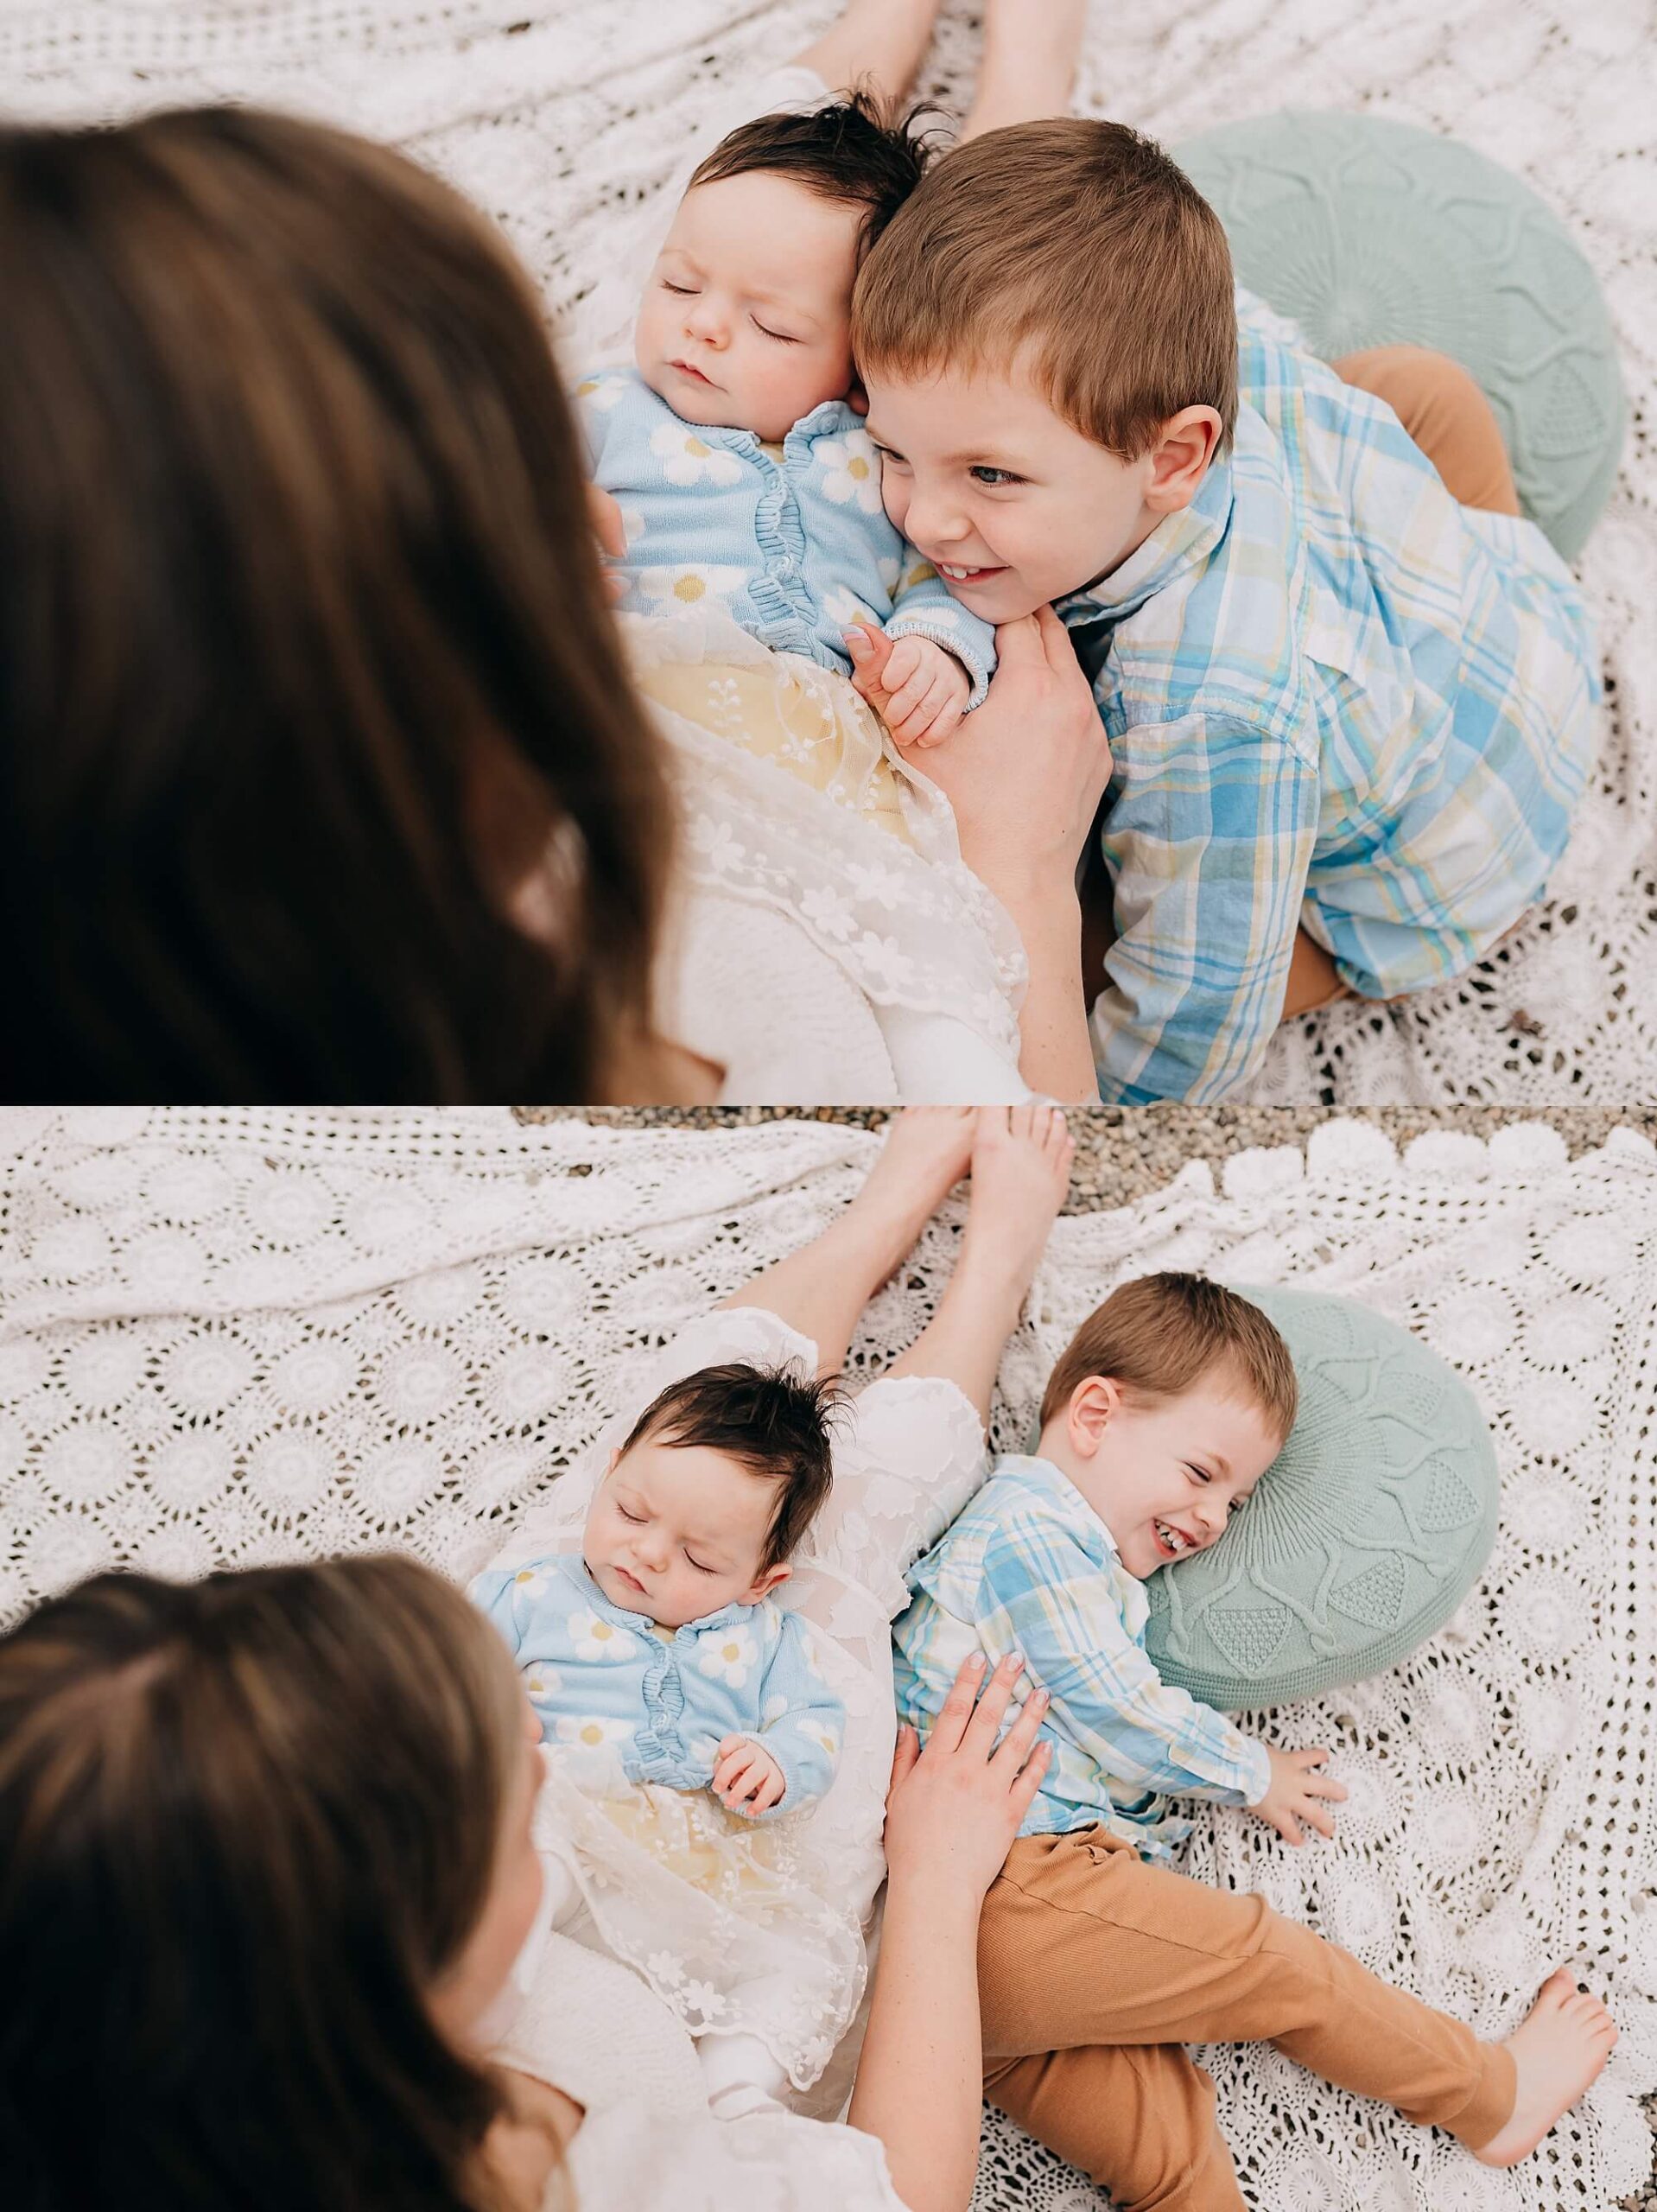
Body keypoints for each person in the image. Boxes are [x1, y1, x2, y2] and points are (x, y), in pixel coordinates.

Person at [0, 0, 1108, 1105]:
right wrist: (1028, 878)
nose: (604, 527)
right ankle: (1020, 62)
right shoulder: (699, 963)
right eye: (501, 504)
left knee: (784, 183)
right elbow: (997, 1112)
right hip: (794, 766)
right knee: (957, 290)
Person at [847, 45, 1600, 1103]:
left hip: (1448, 849)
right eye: (889, 451)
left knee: (1072, 945)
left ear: (1172, 458)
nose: (925, 519)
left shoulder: (1212, 715)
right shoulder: (1215, 334)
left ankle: (1397, 911)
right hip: (1495, 621)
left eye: (991, 473)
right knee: (1417, 390)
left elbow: (1192, 1025)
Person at [892, 1271, 1620, 2209]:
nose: (1209, 1520)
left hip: (969, 1986)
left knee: (1175, 2164)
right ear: (1093, 1415)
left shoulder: (1073, 1553)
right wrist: (1251, 1772)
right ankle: (1490, 2095)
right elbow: (1114, 1702)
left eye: (1234, 1503)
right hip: (1011, 1895)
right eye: (1201, 1474)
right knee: (1275, 1964)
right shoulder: (1027, 1529)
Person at [571, 0, 1107, 1102]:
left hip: (842, 779)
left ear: (864, 371)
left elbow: (947, 580)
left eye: (772, 329)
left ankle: (1025, 53)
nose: (702, 328)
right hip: (660, 721)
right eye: (675, 288)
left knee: (931, 989)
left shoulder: (886, 456)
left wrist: (936, 653)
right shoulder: (611, 406)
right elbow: (482, 472)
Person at [472, 1363, 860, 2118]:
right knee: (533, 1813)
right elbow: (447, 1670)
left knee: (804, 1963)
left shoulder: (769, 1640)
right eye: (632, 1512)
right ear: (610, 1471)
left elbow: (815, 1723)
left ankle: (736, 2092)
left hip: (700, 1873)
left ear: (759, 1581)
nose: (648, 1553)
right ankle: (488, 1973)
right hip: (572, 1824)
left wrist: (777, 1759)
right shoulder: (531, 1595)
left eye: (701, 1559)